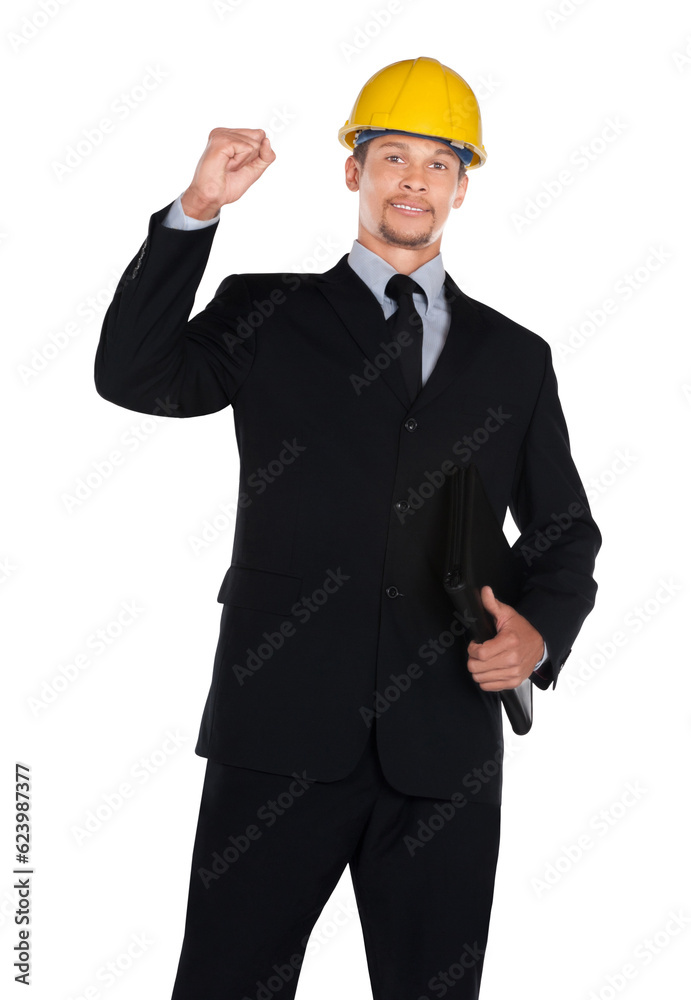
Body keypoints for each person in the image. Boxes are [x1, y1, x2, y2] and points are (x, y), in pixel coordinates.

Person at [94, 56, 601, 1000]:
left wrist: (539, 632)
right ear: (352, 171)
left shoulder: (513, 356)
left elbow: (564, 529)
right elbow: (135, 374)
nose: (414, 179)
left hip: (443, 739)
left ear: (461, 185)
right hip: (279, 722)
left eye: (438, 163)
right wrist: (196, 211)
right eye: (392, 156)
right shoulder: (267, 311)